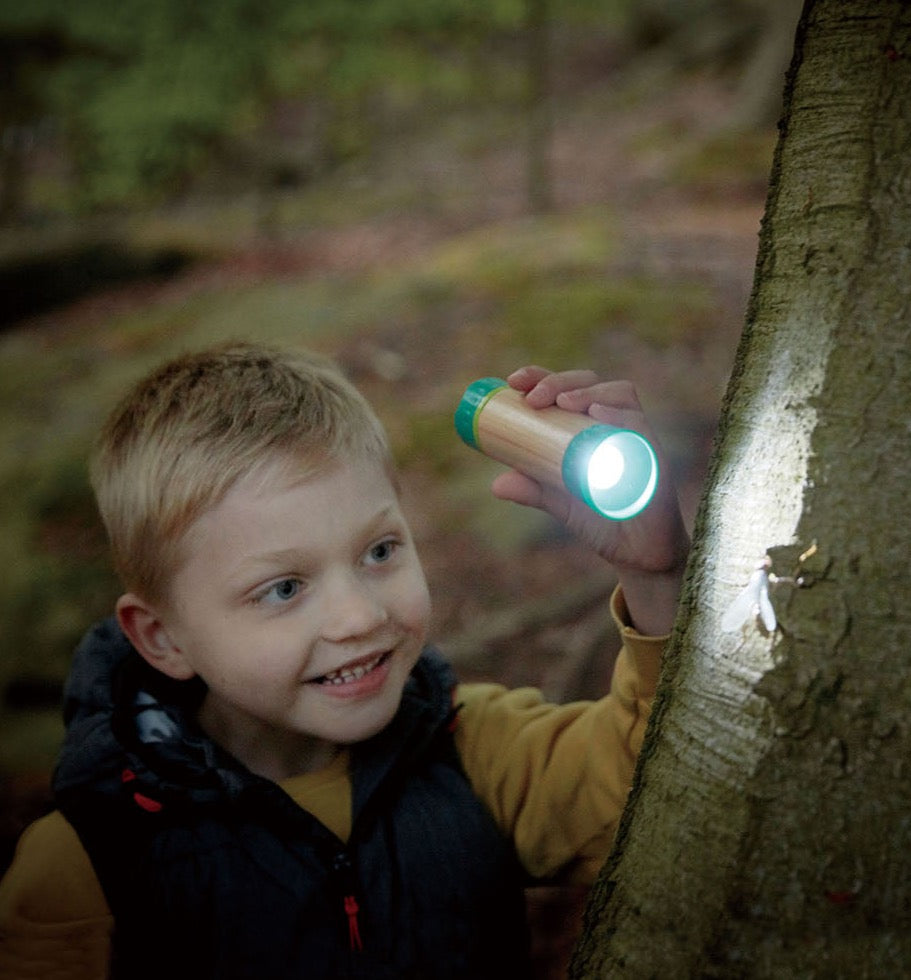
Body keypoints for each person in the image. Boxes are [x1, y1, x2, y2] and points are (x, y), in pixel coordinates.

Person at [0, 343, 688, 979]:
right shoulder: (85, 871)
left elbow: (660, 790)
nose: (360, 617)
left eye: (380, 551)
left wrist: (657, 577)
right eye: (284, 589)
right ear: (163, 640)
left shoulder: (474, 755)